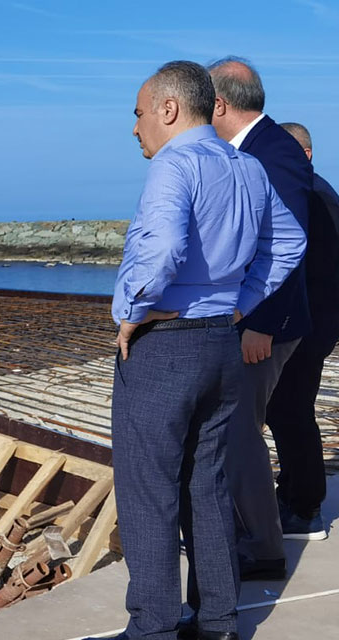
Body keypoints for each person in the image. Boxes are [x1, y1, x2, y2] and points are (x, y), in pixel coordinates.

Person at [96, 61, 305, 640]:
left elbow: (163, 245)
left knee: (148, 490)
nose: (134, 127)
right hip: (220, 343)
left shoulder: (174, 162)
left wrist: (134, 309)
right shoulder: (247, 165)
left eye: (139, 113)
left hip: (165, 346)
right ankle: (217, 622)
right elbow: (289, 242)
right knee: (207, 485)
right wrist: (240, 304)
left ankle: (154, 629)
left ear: (168, 109)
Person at [207, 56, 315, 579]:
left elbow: (288, 243)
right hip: (255, 317)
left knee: (239, 434)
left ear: (218, 104)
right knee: (237, 429)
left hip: (264, 324)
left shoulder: (272, 152)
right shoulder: (256, 148)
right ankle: (246, 534)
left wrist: (262, 323)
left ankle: (262, 548)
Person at [262, 121, 339, 541]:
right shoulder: (317, 191)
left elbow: (305, 267)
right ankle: (292, 492)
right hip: (314, 320)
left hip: (308, 323)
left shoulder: (311, 194)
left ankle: (306, 508)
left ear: (305, 154)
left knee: (291, 412)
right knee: (285, 411)